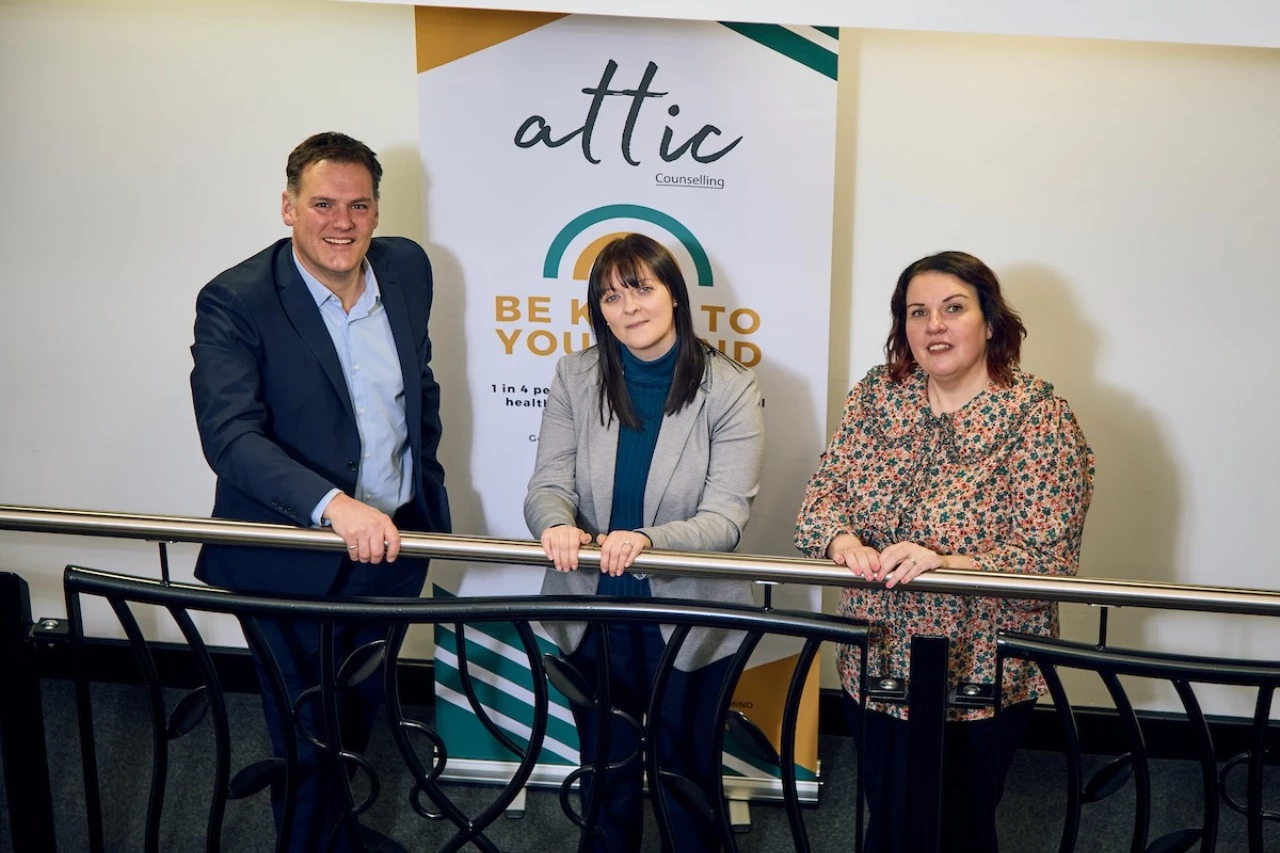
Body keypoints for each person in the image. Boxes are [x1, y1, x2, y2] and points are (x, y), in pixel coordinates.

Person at [190, 132, 450, 853]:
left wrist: (418, 493)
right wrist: (335, 506)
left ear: (376, 209)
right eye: (323, 204)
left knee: (356, 718)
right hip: (288, 558)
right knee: (304, 736)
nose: (342, 222)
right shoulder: (235, 300)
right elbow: (231, 438)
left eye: (359, 204)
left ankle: (338, 836)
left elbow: (415, 388)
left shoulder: (407, 269)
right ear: (288, 207)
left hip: (393, 548)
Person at [795, 251, 1094, 853]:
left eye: (953, 308)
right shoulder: (878, 396)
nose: (934, 325)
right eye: (917, 312)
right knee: (889, 822)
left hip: (980, 674)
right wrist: (843, 541)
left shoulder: (1040, 417)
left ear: (989, 322)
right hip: (874, 660)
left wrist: (949, 563)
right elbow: (817, 504)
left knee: (957, 828)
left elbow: (1050, 557)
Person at [524, 233, 764, 853]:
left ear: (675, 295)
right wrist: (553, 523)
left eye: (642, 288)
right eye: (610, 296)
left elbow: (726, 519)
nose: (628, 307)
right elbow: (549, 481)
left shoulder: (731, 386)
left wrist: (646, 540)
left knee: (687, 773)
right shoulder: (575, 375)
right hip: (592, 607)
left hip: (689, 614)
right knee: (605, 768)